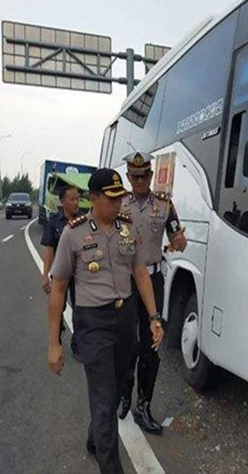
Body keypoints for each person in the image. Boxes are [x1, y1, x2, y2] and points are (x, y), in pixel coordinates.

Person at [47, 168, 164, 474]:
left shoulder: (127, 230)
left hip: (125, 319)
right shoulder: (73, 234)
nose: (117, 204)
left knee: (114, 390)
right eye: (111, 199)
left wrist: (153, 317)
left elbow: (140, 273)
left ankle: (94, 439)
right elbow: (58, 288)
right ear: (93, 198)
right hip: (93, 322)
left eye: (120, 198)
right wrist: (54, 344)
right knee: (103, 399)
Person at [117, 151, 187, 435]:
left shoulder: (165, 205)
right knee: (125, 344)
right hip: (124, 282)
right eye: (135, 176)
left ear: (151, 174)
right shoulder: (119, 203)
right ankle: (124, 394)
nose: (141, 181)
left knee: (150, 346)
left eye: (145, 175)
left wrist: (180, 241)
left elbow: (177, 241)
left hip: (154, 280)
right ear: (128, 177)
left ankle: (143, 405)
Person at [41, 185, 80, 357]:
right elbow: (49, 250)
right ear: (63, 201)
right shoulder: (54, 222)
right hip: (60, 273)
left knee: (80, 311)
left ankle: (77, 346)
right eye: (72, 199)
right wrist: (45, 276)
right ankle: (55, 339)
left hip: (80, 274)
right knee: (57, 307)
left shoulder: (84, 221)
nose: (76, 202)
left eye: (78, 199)